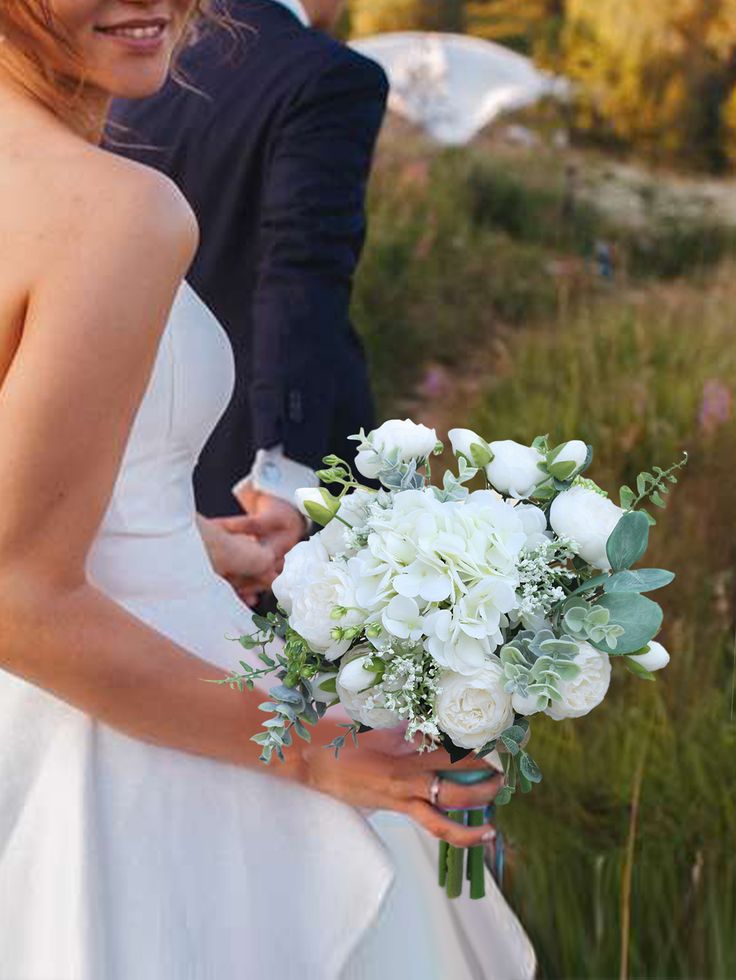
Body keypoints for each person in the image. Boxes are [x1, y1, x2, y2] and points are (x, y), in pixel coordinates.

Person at [0, 2, 535, 978]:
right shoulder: (117, 212)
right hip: (133, 758)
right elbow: (17, 596)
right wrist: (315, 751)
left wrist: (192, 536)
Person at [112, 0, 386, 598]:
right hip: (260, 464)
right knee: (307, 673)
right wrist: (283, 471)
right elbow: (303, 270)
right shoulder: (329, 76)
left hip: (129, 442)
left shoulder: (127, 58)